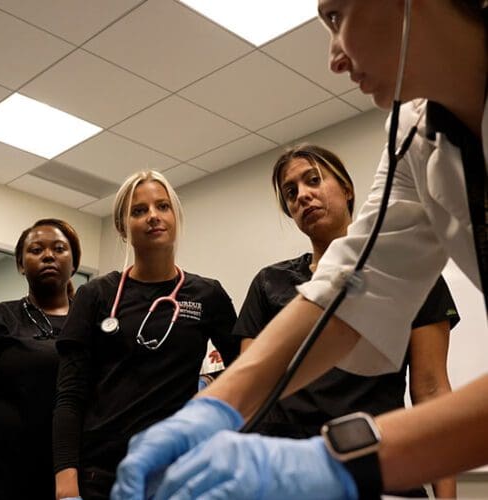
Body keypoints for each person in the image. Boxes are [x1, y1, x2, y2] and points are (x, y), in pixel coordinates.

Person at [111, 1, 487, 498]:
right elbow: (352, 285)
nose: (334, 56)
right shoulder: (415, 136)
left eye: (336, 17)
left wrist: (339, 463)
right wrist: (213, 408)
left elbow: (429, 384)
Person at [233, 144, 458, 497]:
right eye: (291, 193)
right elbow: (252, 386)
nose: (303, 196)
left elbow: (430, 389)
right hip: (291, 471)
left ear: (347, 188)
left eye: (313, 180)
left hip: (381, 460)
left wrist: (447, 496)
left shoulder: (404, 271)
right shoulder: (269, 283)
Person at [53, 170, 240, 500]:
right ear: (123, 228)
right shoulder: (95, 295)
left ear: (175, 216)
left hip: (177, 469)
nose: (153, 216)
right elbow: (69, 396)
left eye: (162, 206)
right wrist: (66, 486)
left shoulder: (207, 295)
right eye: (139, 211)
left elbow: (247, 369)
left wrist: (210, 389)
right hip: (102, 470)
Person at [0, 219, 81, 500]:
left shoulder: (94, 324)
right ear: (20, 264)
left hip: (74, 476)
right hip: (5, 476)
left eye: (59, 249)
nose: (48, 255)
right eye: (36, 249)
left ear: (74, 263)